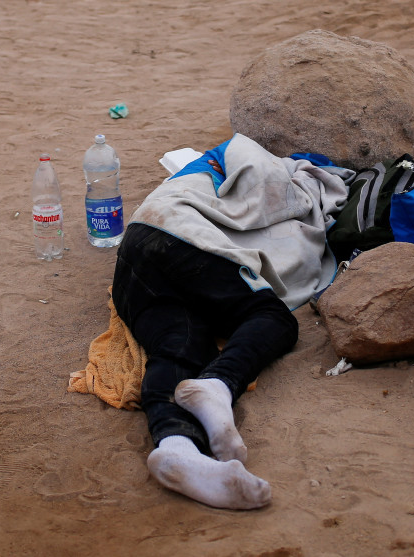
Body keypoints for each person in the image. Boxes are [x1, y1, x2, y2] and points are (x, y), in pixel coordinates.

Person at [111, 134, 350, 509]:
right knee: (272, 317)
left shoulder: (194, 171)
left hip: (132, 263)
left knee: (181, 347)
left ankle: (177, 450)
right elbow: (262, 183)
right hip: (181, 236)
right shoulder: (240, 152)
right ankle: (219, 385)